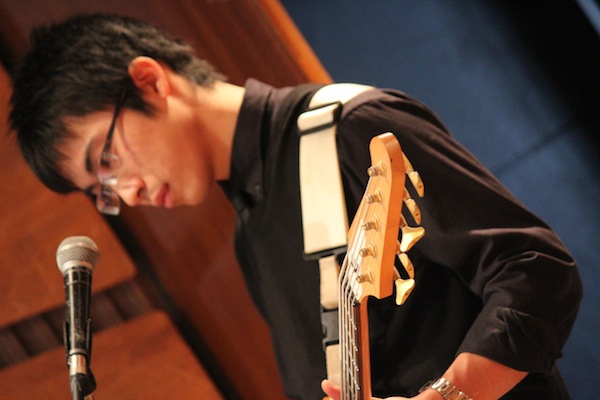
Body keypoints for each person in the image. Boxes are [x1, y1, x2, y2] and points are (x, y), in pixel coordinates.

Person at [8, 13, 582, 400]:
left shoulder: (351, 125)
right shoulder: (250, 234)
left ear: (149, 81)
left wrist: (451, 395)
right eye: (103, 192)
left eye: (106, 160)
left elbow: (536, 270)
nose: (127, 193)